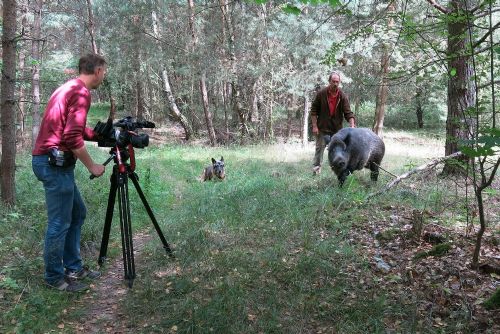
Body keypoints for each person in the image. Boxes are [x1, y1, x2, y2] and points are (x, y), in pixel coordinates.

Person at [32, 53, 107, 292]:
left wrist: (94, 134)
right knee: (59, 222)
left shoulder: (67, 88)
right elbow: (70, 137)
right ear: (97, 70)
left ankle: (73, 267)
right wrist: (92, 165)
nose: (103, 76)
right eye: (103, 71)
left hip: (50, 161)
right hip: (53, 163)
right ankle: (54, 278)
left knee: (77, 213)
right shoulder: (82, 92)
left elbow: (69, 125)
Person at [311, 71, 356, 175]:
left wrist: (352, 126)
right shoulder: (321, 94)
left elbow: (348, 113)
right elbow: (313, 111)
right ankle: (316, 172)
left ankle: (341, 171)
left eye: (337, 82)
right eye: (333, 81)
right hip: (323, 128)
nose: (335, 84)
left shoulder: (342, 96)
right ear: (329, 81)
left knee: (340, 151)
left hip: (337, 131)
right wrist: (314, 126)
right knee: (319, 150)